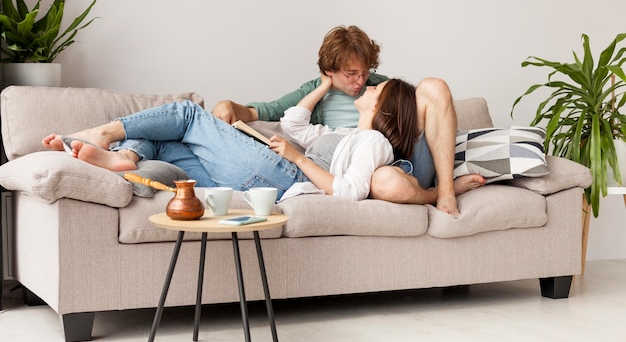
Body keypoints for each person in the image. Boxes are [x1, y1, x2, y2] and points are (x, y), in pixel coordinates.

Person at [212, 25, 485, 215]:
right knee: (383, 180)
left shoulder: (378, 87)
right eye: (350, 74)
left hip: (408, 159)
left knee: (434, 86)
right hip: (376, 175)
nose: (360, 82)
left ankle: (447, 191)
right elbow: (266, 112)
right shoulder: (313, 94)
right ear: (329, 70)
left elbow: (421, 112)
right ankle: (433, 194)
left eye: (365, 73)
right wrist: (229, 105)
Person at [42, 76, 421, 202]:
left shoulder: (376, 143)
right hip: (267, 178)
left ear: (384, 106)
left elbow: (349, 191)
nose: (369, 85)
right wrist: (323, 84)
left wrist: (298, 158)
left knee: (188, 114)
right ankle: (122, 157)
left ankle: (102, 133)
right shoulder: (350, 135)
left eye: (377, 87)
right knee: (165, 142)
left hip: (287, 176)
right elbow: (293, 122)